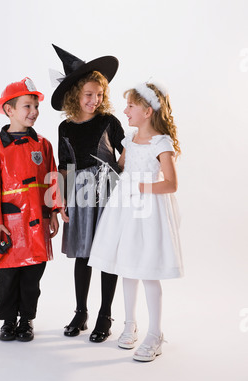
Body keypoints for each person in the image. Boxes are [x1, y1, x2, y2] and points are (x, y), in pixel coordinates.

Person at [88, 81, 184, 361]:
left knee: (148, 271)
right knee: (127, 267)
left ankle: (155, 333)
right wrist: (103, 171)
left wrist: (141, 187)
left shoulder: (161, 143)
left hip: (148, 211)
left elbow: (171, 184)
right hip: (124, 210)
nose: (125, 110)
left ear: (147, 110)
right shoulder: (130, 139)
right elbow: (120, 168)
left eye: (130, 105)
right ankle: (130, 324)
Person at [0, 77, 63, 342]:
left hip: (37, 221)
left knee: (32, 276)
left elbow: (52, 179)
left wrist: (52, 213)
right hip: (9, 223)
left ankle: (26, 320)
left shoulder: (43, 144)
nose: (34, 111)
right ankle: (7, 321)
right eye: (27, 106)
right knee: (6, 275)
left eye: (36, 106)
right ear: (9, 110)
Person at [50, 45, 125, 343]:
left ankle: (105, 314)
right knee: (83, 254)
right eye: (89, 95)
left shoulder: (109, 122)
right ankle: (80, 311)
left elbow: (128, 149)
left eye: (99, 95)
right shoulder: (65, 128)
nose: (95, 100)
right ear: (75, 97)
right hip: (80, 196)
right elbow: (64, 165)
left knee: (106, 254)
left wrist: (119, 169)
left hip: (107, 193)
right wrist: (62, 199)